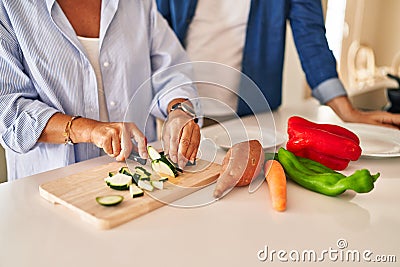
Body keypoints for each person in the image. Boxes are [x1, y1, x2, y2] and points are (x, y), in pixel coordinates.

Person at [0, 0, 200, 181]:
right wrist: (90, 130)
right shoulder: (8, 8)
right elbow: (8, 110)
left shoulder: (138, 3)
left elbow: (172, 70)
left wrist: (180, 110)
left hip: (140, 178)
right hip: (47, 187)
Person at [155, 0, 400, 128]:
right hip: (182, 111)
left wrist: (347, 110)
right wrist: (170, 104)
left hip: (252, 118)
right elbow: (155, 36)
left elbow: (310, 34)